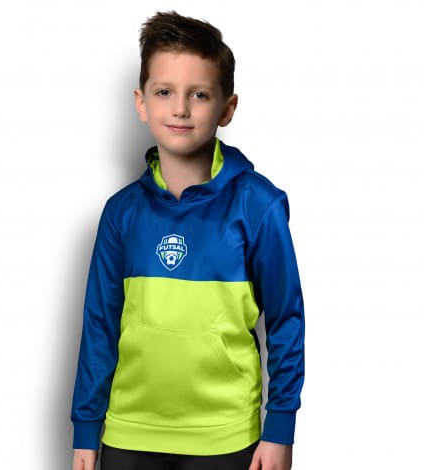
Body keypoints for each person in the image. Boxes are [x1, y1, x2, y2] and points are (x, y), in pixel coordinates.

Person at [71, 10, 305, 470]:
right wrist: (85, 428)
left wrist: (280, 427)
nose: (180, 108)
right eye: (164, 92)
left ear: (227, 108)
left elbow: (286, 320)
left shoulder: (259, 206)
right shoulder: (121, 213)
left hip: (225, 434)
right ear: (141, 102)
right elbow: (99, 326)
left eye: (199, 94)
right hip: (130, 431)